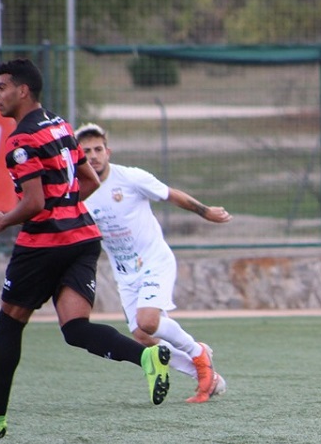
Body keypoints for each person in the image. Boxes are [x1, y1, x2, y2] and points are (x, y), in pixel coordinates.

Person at [0, 59, 171, 440]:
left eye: (2, 87)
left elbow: (35, 203)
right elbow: (88, 181)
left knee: (8, 323)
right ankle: (146, 355)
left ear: (23, 90)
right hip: (83, 239)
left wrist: (3, 220)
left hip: (43, 245)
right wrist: (64, 207)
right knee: (74, 329)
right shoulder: (59, 123)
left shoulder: (20, 141)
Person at [75, 123, 230, 403]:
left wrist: (205, 212)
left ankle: (197, 353)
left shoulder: (131, 178)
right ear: (78, 156)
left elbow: (172, 195)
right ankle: (206, 377)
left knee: (148, 321)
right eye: (86, 151)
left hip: (154, 262)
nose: (93, 156)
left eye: (98, 149)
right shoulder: (77, 192)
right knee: (142, 337)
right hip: (125, 274)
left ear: (108, 151)